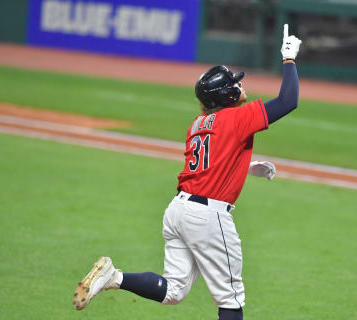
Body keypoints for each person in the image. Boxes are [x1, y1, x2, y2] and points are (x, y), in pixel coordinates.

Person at [72, 24, 302, 320]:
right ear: (228, 93)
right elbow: (288, 101)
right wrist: (289, 59)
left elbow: (209, 165)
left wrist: (246, 166)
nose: (241, 85)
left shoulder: (198, 125)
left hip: (178, 211)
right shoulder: (237, 117)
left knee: (172, 291)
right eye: (236, 83)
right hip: (207, 217)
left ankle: (114, 277)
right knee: (230, 299)